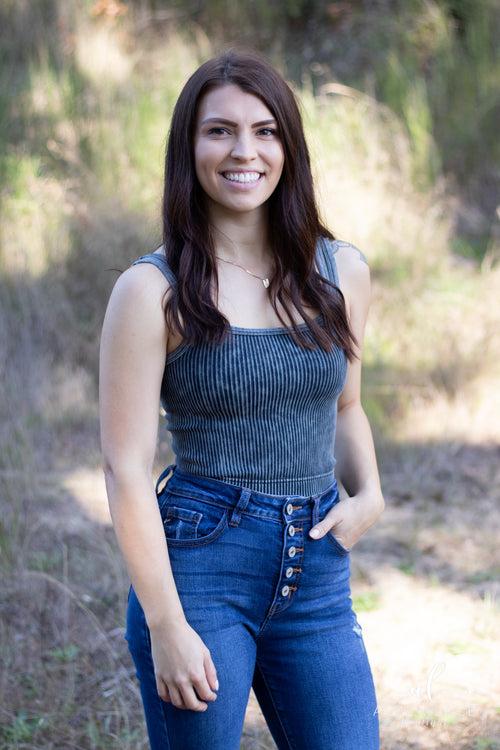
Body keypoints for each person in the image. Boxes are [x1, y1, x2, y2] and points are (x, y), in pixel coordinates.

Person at [99, 48, 385, 750]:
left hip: (315, 568)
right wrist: (167, 625)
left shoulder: (339, 271)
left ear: (288, 145)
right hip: (200, 567)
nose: (244, 151)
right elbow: (125, 468)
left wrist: (369, 492)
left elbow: (346, 407)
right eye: (219, 130)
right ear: (189, 147)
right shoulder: (151, 291)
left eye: (265, 130)